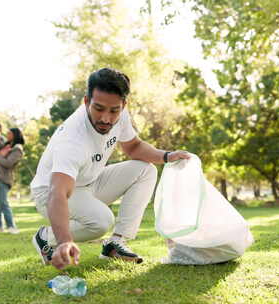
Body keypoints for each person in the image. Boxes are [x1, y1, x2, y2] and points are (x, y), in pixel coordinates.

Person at [30, 68, 190, 270]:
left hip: (89, 182)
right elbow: (58, 192)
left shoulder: (120, 115)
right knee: (101, 221)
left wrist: (166, 156)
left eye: (114, 110)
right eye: (98, 108)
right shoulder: (72, 139)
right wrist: (63, 241)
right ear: (86, 101)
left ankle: (116, 242)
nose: (106, 118)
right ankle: (46, 237)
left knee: (146, 171)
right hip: (50, 192)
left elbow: (133, 147)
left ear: (123, 105)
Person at [0, 127, 25, 234]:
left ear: (15, 135)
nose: (7, 135)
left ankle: (11, 226)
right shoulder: (5, 145)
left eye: (9, 133)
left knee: (3, 203)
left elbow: (8, 163)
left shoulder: (17, 149)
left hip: (4, 178)